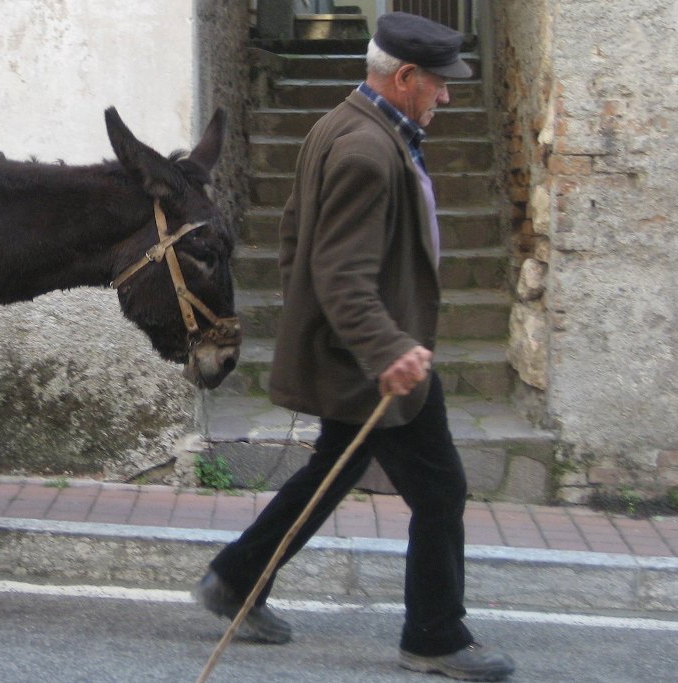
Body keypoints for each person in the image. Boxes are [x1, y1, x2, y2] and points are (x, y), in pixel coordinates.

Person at [193, 12, 516, 681]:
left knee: (332, 471)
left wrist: (318, 318)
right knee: (441, 487)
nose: (447, 96)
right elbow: (338, 270)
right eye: (439, 84)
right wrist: (386, 346)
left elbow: (293, 238)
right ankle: (434, 633)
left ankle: (235, 576)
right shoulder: (367, 151)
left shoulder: (340, 125)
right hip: (379, 360)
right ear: (403, 77)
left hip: (359, 349)